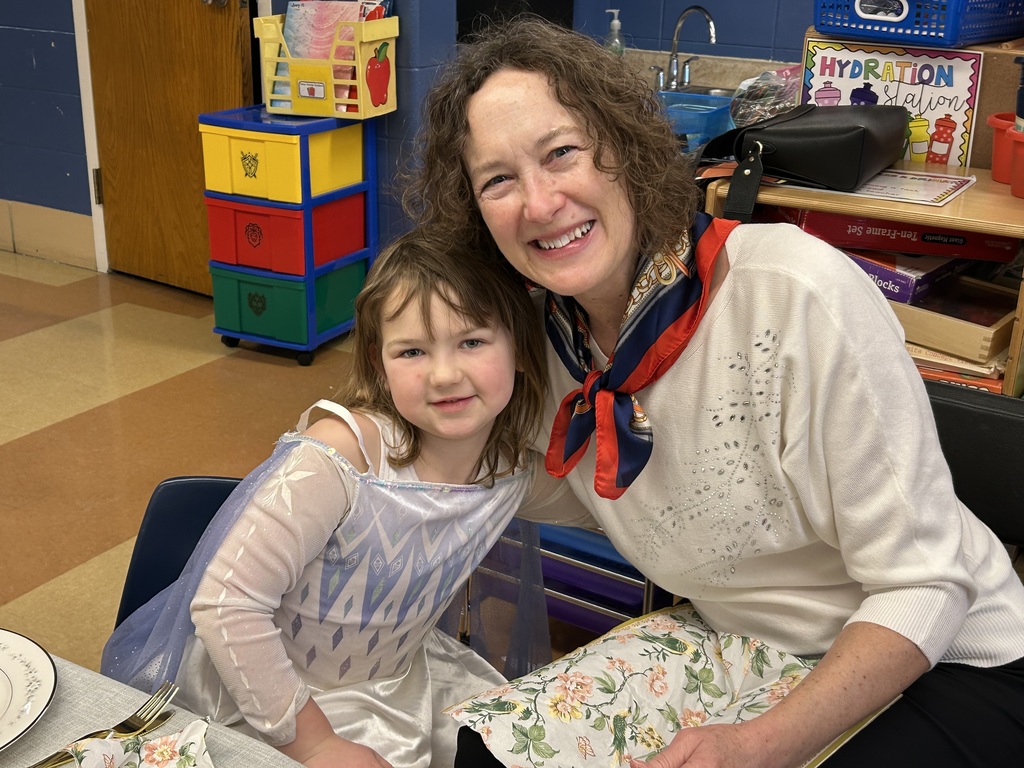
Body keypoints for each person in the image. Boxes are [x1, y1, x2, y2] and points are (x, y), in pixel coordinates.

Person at [401, 15, 1024, 768]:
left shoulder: (796, 296)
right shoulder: (543, 337)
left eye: (560, 153)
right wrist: (422, 449)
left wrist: (759, 745)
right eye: (498, 180)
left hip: (942, 655)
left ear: (625, 153)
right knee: (482, 754)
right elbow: (596, 492)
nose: (538, 203)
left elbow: (925, 584)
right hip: (744, 645)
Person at [101, 227, 592, 768]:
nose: (445, 374)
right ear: (380, 366)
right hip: (265, 697)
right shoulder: (340, 458)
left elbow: (610, 511)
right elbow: (227, 604)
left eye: (472, 341)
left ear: (520, 351)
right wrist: (315, 744)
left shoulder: (511, 470)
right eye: (412, 351)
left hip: (397, 685)